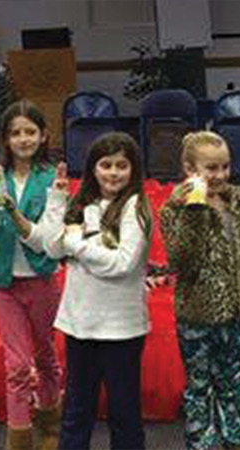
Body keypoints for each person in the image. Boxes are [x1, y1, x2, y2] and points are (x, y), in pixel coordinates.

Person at [160, 131, 240, 450]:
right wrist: (194, 212)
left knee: (233, 381)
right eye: (211, 168)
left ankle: (235, 439)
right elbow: (181, 260)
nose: (221, 175)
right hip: (197, 313)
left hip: (238, 309)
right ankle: (200, 442)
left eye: (225, 167)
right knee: (199, 385)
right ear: (190, 169)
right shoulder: (174, 209)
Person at [0, 100, 71, 450]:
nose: (23, 139)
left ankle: (50, 425)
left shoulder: (52, 179)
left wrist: (13, 212)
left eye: (30, 131)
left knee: (46, 356)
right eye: (15, 133)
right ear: (6, 139)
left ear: (43, 136)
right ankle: (19, 437)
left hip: (42, 279)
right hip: (5, 283)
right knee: (17, 365)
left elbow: (48, 241)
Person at [52, 133, 152, 450]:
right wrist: (57, 200)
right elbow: (52, 247)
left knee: (124, 412)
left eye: (121, 165)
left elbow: (121, 264)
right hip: (80, 324)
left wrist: (77, 245)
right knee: (76, 410)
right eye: (105, 165)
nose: (113, 172)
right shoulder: (81, 203)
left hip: (121, 328)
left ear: (134, 169)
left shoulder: (136, 207)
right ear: (92, 169)